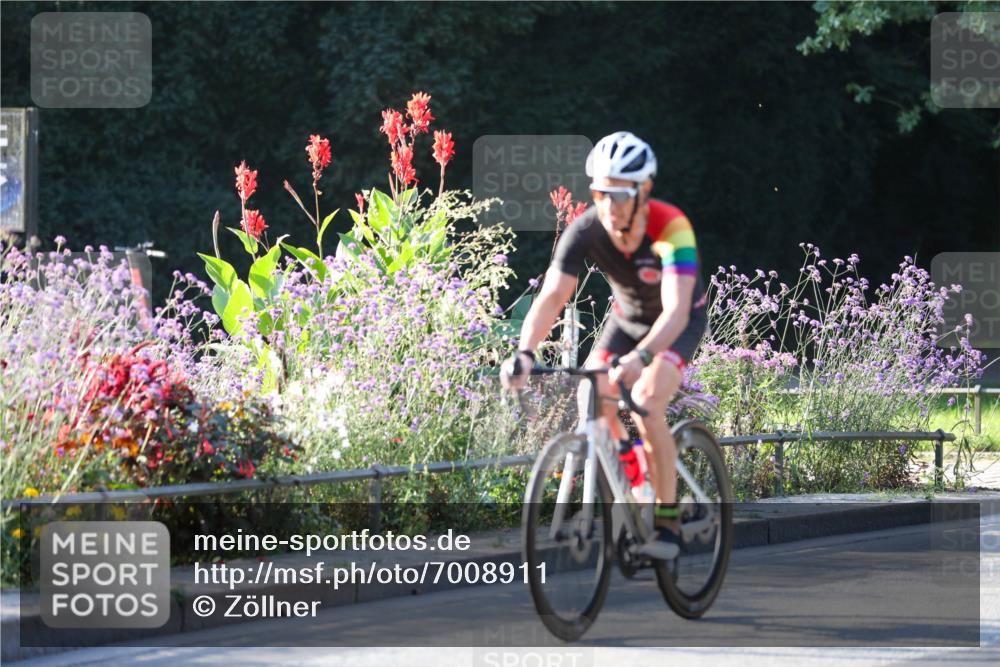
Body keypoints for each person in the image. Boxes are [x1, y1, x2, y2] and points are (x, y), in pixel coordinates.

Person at [500, 131, 707, 560]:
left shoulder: (671, 227)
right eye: (599, 193)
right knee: (590, 397)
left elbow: (674, 310)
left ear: (642, 191)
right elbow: (553, 296)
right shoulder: (588, 229)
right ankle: (638, 478)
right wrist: (524, 352)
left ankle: (666, 522)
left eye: (618, 194)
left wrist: (641, 359)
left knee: (646, 399)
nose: (608, 205)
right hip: (628, 319)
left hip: (677, 321)